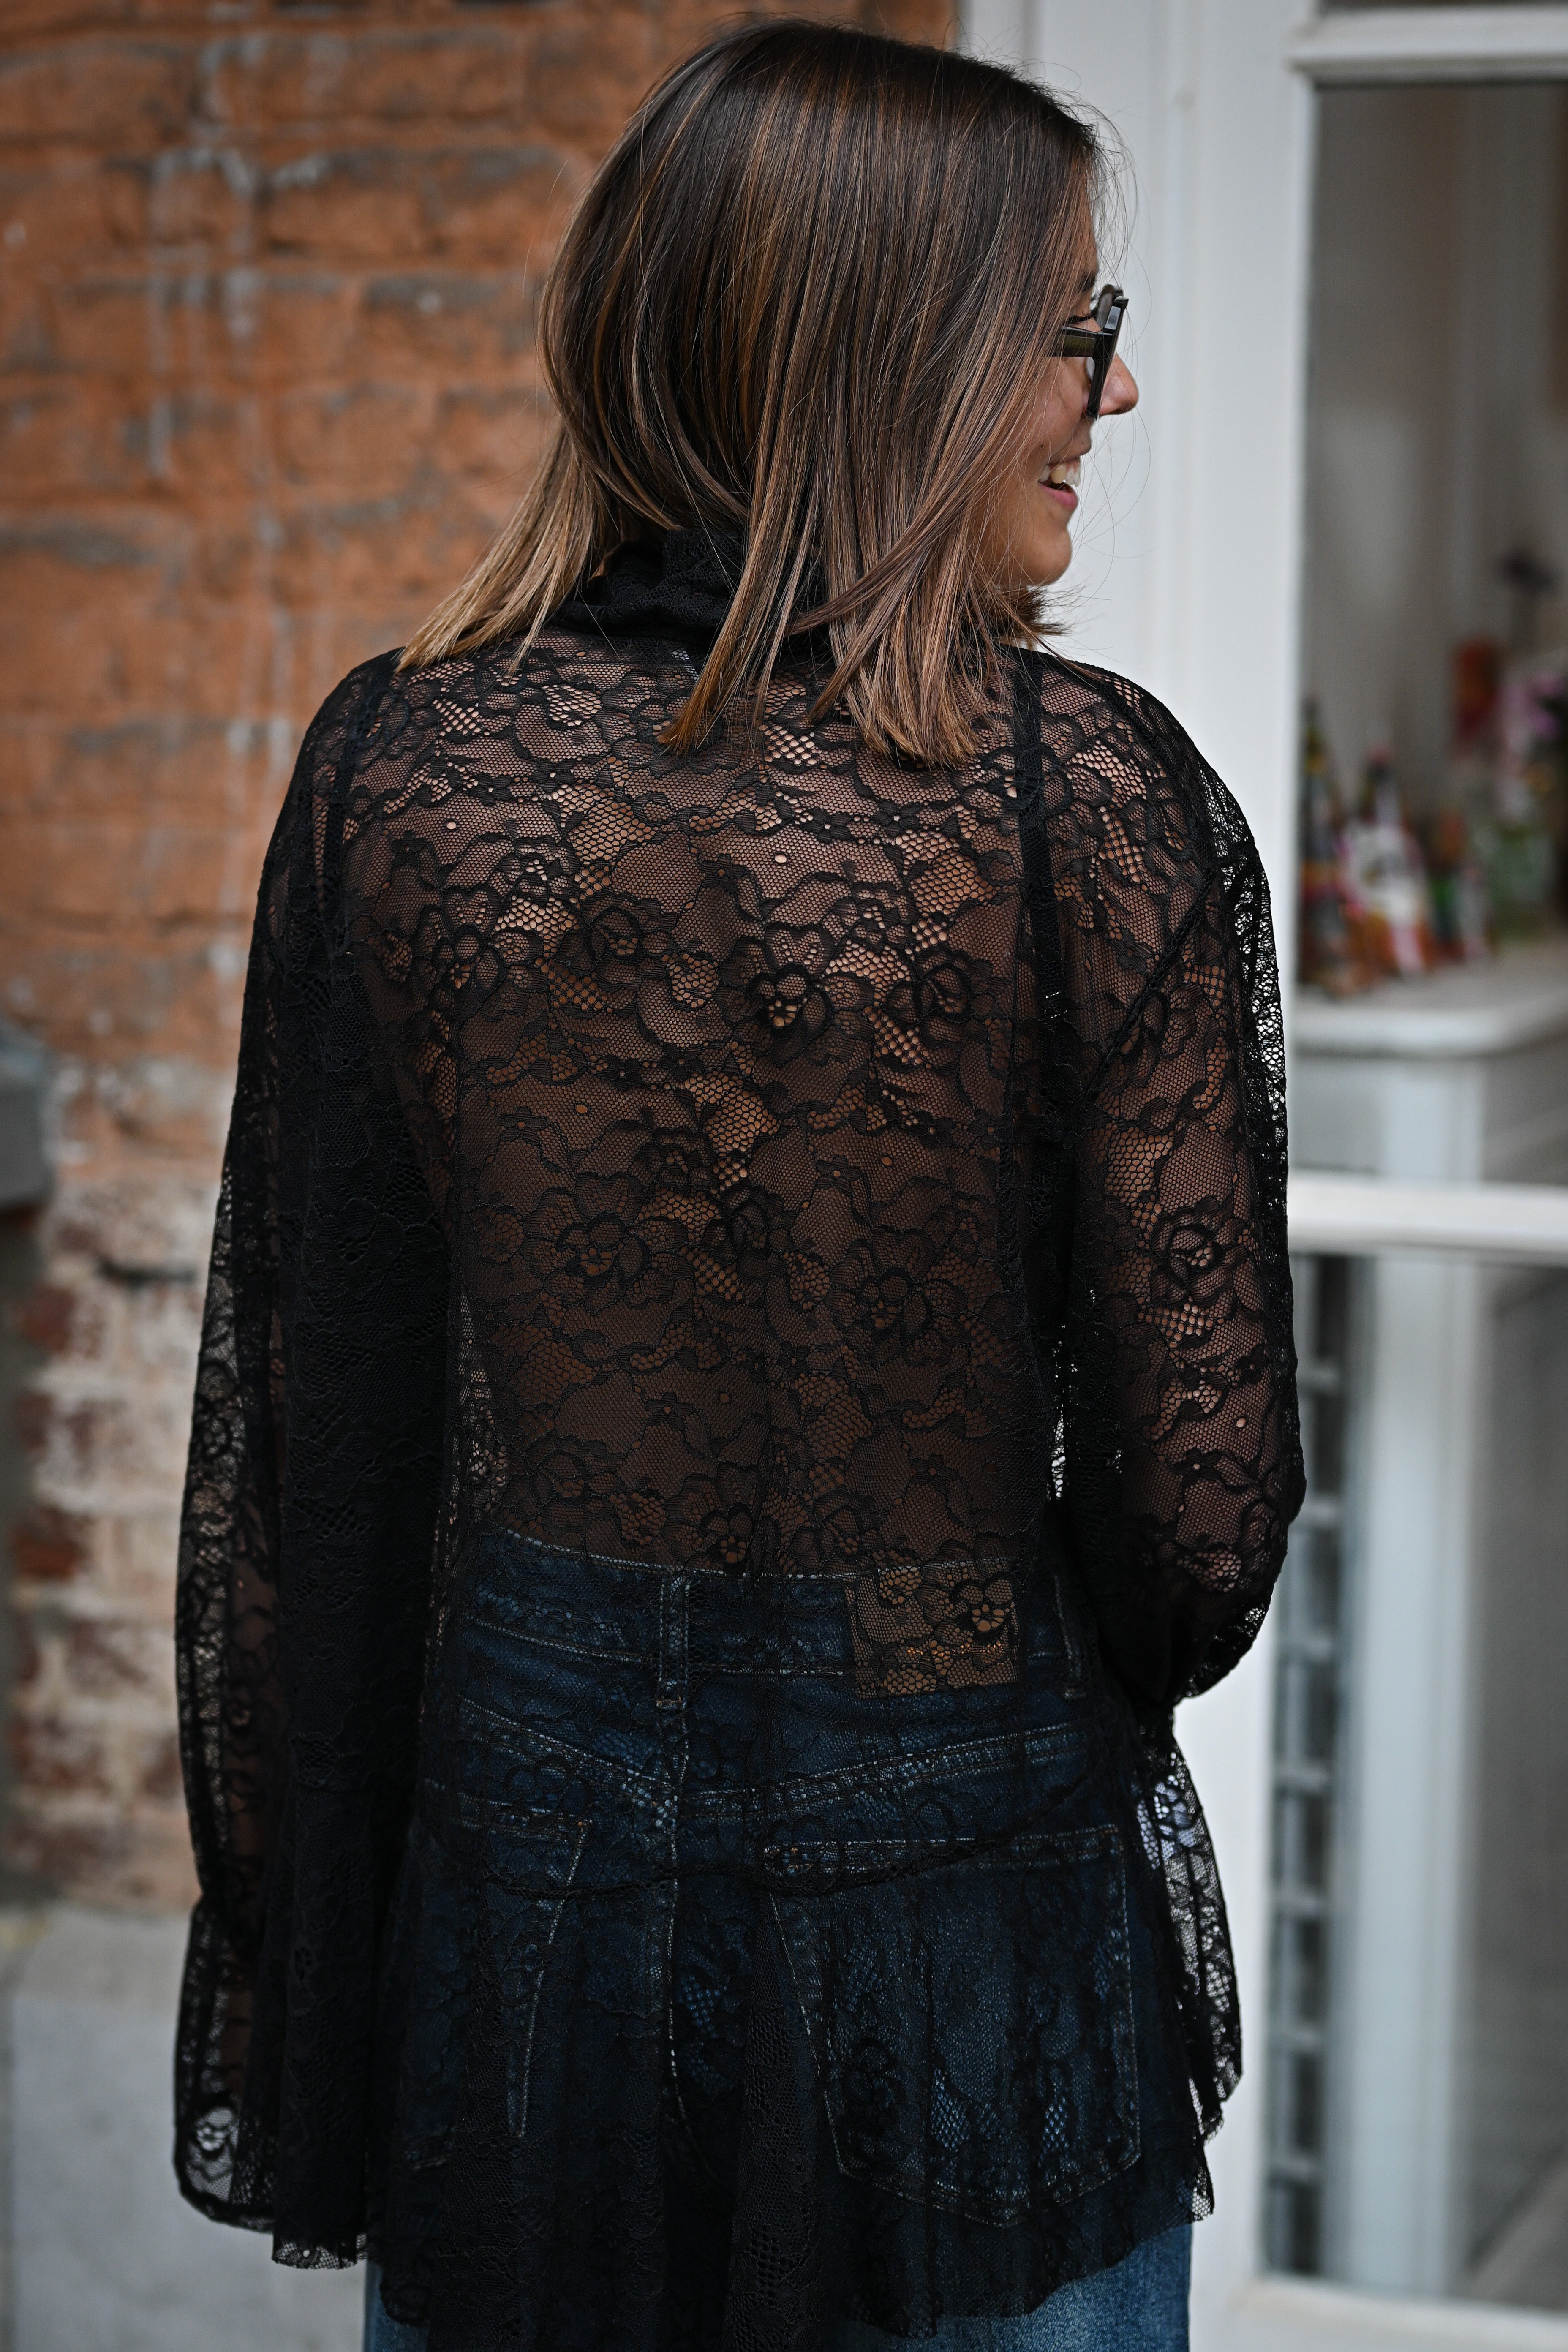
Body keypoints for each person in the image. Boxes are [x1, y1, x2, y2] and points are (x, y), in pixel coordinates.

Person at [172, 24, 1304, 2352]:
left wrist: (319, 1951)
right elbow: (1200, 1535)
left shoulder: (399, 769)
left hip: (528, 1921)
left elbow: (308, 1458)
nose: (1111, 392)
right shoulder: (1077, 799)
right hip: (964, 1915)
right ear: (900, 352)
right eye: (1073, 328)